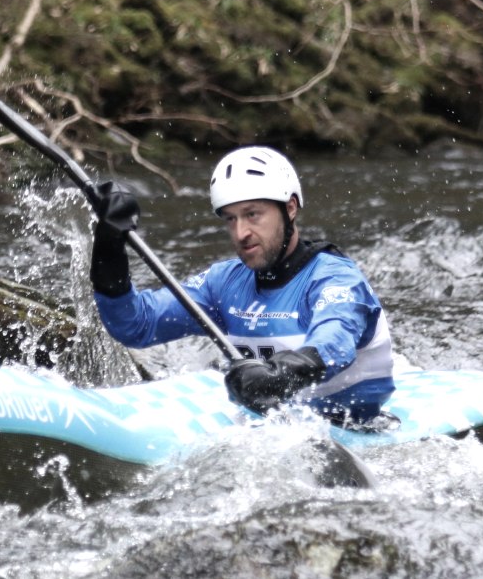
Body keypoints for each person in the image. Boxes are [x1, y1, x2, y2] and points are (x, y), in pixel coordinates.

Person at [88, 146, 395, 425]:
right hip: (272, 427)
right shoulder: (223, 283)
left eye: (252, 214)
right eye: (230, 219)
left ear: (289, 208)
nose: (241, 232)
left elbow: (335, 342)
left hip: (352, 422)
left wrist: (278, 375)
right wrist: (110, 246)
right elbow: (135, 325)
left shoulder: (335, 279)